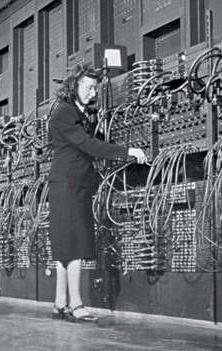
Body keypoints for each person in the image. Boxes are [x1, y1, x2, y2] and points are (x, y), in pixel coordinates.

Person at [48, 64, 147, 322]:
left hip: (72, 183)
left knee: (65, 243)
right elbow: (88, 144)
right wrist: (127, 152)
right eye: (88, 87)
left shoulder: (78, 113)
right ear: (74, 87)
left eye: (95, 88)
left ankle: (61, 301)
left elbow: (95, 139)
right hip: (69, 183)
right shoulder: (65, 112)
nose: (93, 92)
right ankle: (77, 304)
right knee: (76, 242)